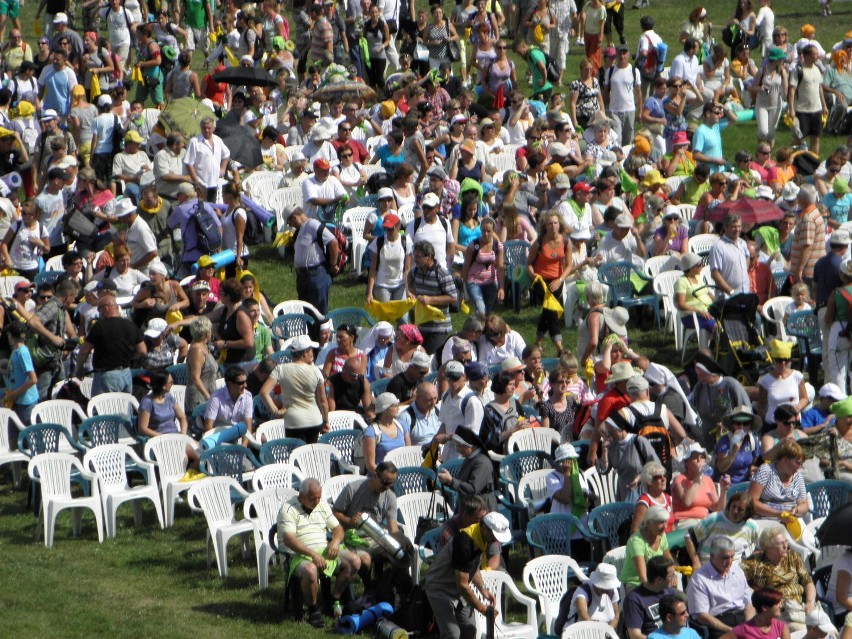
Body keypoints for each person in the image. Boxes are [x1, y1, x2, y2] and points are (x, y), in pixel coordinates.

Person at [278, 477, 361, 628]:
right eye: (312, 498)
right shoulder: (288, 509)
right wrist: (313, 554)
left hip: (323, 549)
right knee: (310, 570)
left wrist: (335, 542)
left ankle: (333, 598)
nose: (316, 501)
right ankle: (313, 609)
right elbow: (289, 540)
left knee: (354, 561)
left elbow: (338, 529)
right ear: (301, 496)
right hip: (298, 554)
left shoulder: (322, 505)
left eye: (319, 497)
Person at [423, 511, 511, 639]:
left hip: (457, 591)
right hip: (439, 588)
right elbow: (463, 585)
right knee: (452, 634)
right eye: (494, 537)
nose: (496, 541)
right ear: (485, 528)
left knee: (469, 630)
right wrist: (482, 609)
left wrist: (483, 589)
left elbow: (471, 568)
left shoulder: (480, 538)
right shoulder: (465, 542)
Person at [331, 462, 406, 596]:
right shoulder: (353, 489)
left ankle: (401, 591)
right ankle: (369, 586)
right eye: (385, 482)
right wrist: (350, 521)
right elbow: (335, 512)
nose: (387, 487)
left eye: (391, 483)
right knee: (365, 559)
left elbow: (392, 527)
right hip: (353, 536)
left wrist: (401, 544)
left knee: (400, 555)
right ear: (375, 475)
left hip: (376, 537)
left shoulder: (390, 496)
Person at [742, 527, 816, 630]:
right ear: (768, 547)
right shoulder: (754, 563)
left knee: (829, 629)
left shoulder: (793, 557)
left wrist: (810, 602)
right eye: (781, 543)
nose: (786, 546)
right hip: (778, 611)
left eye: (786, 542)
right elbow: (739, 581)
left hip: (801, 607)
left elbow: (808, 582)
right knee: (803, 630)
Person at [260, 334, 329, 444]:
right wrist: (325, 421)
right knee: (311, 456)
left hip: (293, 421)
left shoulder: (281, 369)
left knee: (296, 456)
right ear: (305, 352)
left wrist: (276, 412)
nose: (312, 353)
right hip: (314, 420)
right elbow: (323, 401)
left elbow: (263, 392)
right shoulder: (315, 371)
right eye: (310, 350)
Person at [74, 293, 145, 395]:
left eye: (99, 309)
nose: (98, 313)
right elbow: (142, 351)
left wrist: (79, 369)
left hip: (106, 376)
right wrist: (128, 357)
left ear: (106, 308)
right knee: (124, 407)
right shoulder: (130, 325)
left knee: (102, 408)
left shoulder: (99, 327)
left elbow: (85, 351)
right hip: (126, 374)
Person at [687, 537, 756, 639]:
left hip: (743, 618)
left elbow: (749, 603)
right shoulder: (699, 579)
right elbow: (702, 616)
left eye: (732, 557)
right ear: (712, 556)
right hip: (718, 624)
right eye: (725, 558)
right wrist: (733, 631)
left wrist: (747, 626)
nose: (729, 562)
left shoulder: (737, 571)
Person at [407, 240, 458, 355]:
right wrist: (411, 292)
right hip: (421, 326)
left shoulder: (442, 274)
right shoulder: (416, 271)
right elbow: (409, 277)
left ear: (429, 256)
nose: (415, 259)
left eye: (418, 256)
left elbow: (453, 297)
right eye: (414, 256)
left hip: (439, 327)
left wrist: (430, 300)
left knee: (431, 358)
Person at [686, 492, 760, 568]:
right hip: (707, 568)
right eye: (733, 506)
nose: (735, 511)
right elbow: (689, 537)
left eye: (740, 509)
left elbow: (761, 545)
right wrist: (695, 562)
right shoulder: (714, 519)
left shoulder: (752, 527)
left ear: (746, 513)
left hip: (734, 570)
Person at [288, 207, 338, 316]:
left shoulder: (313, 225)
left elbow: (333, 242)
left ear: (294, 217)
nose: (290, 225)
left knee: (319, 312)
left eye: (289, 222)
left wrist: (333, 264)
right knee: (306, 312)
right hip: (302, 276)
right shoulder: (301, 229)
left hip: (316, 274)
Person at [748, 439, 809, 521]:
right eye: (797, 463)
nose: (799, 467)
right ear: (785, 459)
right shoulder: (766, 470)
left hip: (791, 521)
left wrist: (796, 510)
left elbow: (804, 504)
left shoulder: (798, 476)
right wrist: (778, 514)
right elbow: (751, 501)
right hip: (766, 520)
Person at [672, 442, 728, 529]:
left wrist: (724, 490)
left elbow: (718, 510)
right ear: (687, 462)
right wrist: (698, 478)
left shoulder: (708, 480)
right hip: (685, 521)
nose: (699, 460)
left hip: (705, 521)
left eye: (702, 457)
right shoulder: (680, 479)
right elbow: (687, 502)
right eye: (695, 457)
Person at [621, 505, 675, 591]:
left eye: (666, 522)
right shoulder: (636, 541)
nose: (665, 526)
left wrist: (672, 575)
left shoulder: (661, 535)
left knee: (681, 598)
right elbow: (643, 577)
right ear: (649, 523)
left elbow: (668, 558)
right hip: (635, 583)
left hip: (657, 580)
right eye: (660, 522)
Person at [623, 555, 678, 639]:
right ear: (659, 579)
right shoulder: (634, 600)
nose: (674, 578)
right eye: (671, 576)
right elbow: (634, 635)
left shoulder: (669, 592)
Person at [554, 563, 622, 631]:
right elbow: (585, 619)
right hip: (576, 633)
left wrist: (609, 631)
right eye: (603, 588)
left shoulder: (612, 591)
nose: (606, 591)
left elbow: (616, 616)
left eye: (608, 588)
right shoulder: (582, 594)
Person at [788, 44, 828, 156]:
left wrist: (824, 105)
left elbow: (819, 88)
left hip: (817, 109)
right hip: (802, 110)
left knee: (815, 138)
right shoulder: (798, 70)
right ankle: (786, 156)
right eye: (815, 54)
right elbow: (791, 90)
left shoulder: (817, 69)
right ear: (807, 56)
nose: (817, 56)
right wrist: (791, 109)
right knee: (799, 138)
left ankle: (813, 161)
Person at [757, 340, 808, 428]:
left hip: (794, 422)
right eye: (779, 360)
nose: (783, 363)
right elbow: (762, 406)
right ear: (773, 360)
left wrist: (797, 407)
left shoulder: (797, 376)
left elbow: (805, 398)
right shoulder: (765, 381)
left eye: (786, 359)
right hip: (773, 424)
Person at [202, 365, 253, 444]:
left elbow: (248, 425)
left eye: (245, 382)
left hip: (238, 437)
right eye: (241, 383)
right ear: (230, 384)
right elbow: (208, 425)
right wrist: (218, 444)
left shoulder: (248, 397)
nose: (245, 385)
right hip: (218, 437)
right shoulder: (216, 398)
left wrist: (244, 445)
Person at [362, 393, 410, 476]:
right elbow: (370, 465)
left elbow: (408, 453)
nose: (398, 408)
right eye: (394, 406)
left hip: (402, 476)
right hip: (380, 479)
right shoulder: (371, 432)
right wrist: (388, 478)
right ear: (385, 410)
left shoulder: (402, 426)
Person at [184, 117, 229, 203]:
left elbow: (226, 154)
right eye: (204, 128)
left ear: (213, 128)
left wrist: (223, 168)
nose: (207, 130)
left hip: (215, 182)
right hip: (201, 183)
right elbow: (188, 162)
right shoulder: (195, 142)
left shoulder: (218, 140)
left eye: (209, 128)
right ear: (201, 128)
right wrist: (195, 180)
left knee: (212, 206)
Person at [714, 406, 763, 484]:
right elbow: (721, 467)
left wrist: (752, 469)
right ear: (733, 424)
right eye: (738, 423)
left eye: (746, 423)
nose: (742, 427)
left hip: (745, 483)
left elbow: (753, 461)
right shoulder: (724, 440)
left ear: (750, 425)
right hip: (726, 484)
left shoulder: (753, 440)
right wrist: (735, 450)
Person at [717, 588, 790, 639]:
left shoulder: (781, 627)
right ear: (764, 607)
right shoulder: (743, 629)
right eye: (777, 603)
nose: (781, 606)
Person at [137, 370, 190, 438]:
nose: (172, 384)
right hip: (159, 438)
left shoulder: (169, 397)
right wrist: (163, 437)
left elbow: (182, 417)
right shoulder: (147, 402)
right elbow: (142, 428)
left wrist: (183, 434)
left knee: (197, 446)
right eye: (171, 382)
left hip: (175, 435)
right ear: (163, 386)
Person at [4, 321, 37, 425]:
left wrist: (14, 395)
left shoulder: (22, 352)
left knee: (27, 434)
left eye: (8, 334)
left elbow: (33, 379)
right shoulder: (16, 350)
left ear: (12, 336)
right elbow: (15, 371)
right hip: (17, 399)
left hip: (25, 401)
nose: (7, 336)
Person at [709, 213, 750, 295]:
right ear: (726, 227)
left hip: (745, 292)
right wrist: (730, 291)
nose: (737, 229)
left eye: (739, 226)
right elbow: (715, 273)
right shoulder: (718, 247)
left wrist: (744, 270)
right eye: (734, 227)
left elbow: (747, 256)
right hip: (727, 297)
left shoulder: (743, 243)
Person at [546, 442, 590, 518]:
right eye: (566, 461)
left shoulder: (580, 474)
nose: (570, 463)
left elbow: (584, 499)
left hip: (580, 520)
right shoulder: (552, 477)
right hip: (560, 521)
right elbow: (565, 498)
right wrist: (567, 474)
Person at [631, 461, 674, 534]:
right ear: (649, 481)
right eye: (658, 477)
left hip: (669, 541)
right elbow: (635, 532)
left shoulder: (668, 498)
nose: (663, 479)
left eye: (664, 475)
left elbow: (672, 526)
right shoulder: (644, 502)